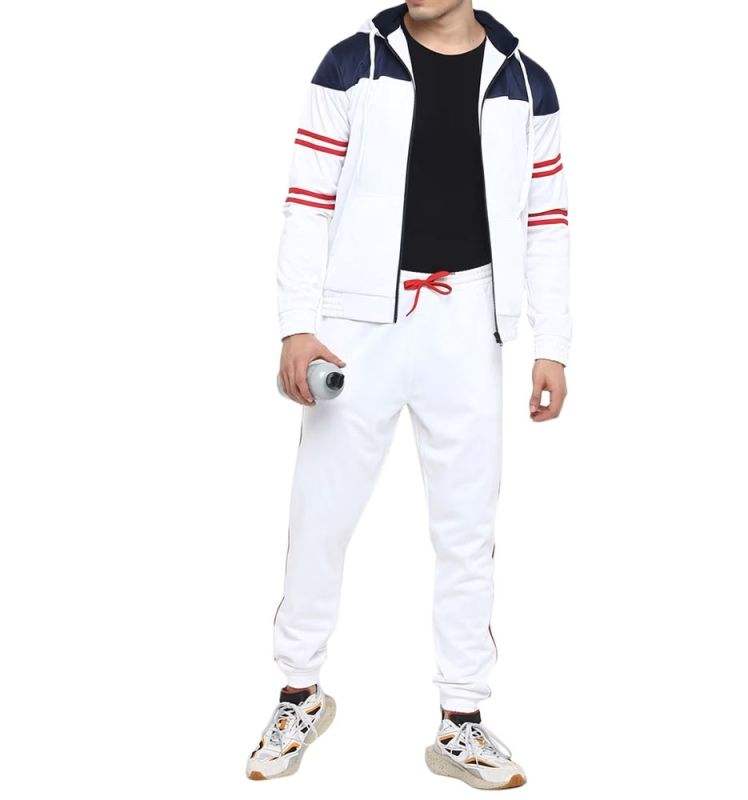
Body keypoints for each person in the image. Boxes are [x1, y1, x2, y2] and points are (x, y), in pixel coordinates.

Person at [247, 1, 570, 789]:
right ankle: (298, 693)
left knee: (467, 525)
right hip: (356, 323)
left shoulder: (525, 82)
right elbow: (307, 199)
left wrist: (552, 344)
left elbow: (547, 220)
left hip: (471, 323)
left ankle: (462, 718)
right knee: (321, 512)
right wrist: (297, 326)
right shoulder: (351, 64)